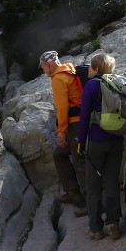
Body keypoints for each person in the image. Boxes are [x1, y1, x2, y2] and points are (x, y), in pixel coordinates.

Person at [77, 53, 125, 240]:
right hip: (117, 139)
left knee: (94, 184)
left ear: (96, 69)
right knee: (112, 180)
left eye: (90, 67)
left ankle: (96, 228)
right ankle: (113, 223)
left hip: (96, 141)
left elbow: (84, 117)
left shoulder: (91, 85)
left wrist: (81, 141)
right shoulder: (118, 83)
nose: (87, 69)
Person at [40, 51, 87, 215]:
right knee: (59, 154)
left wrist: (61, 133)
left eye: (43, 67)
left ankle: (86, 202)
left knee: (78, 160)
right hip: (85, 120)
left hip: (75, 123)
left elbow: (62, 108)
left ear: (48, 64)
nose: (43, 71)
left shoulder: (58, 78)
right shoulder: (71, 70)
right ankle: (72, 192)